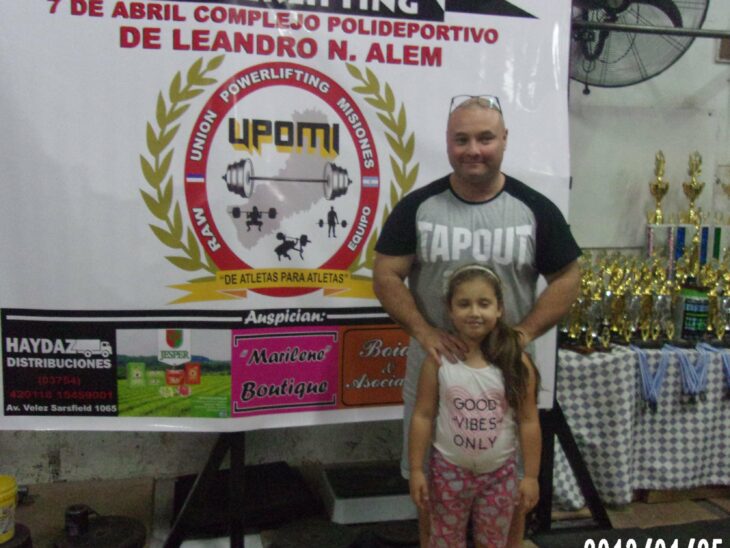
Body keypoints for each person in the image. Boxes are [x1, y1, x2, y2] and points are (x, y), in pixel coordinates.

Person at [373, 95, 581, 546]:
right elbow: (386, 274)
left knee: (511, 494)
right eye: (461, 139)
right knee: (430, 491)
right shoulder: (417, 207)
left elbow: (568, 276)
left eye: (485, 138)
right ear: (447, 144)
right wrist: (424, 331)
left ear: (504, 141)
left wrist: (524, 332)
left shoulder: (534, 208)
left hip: (505, 377)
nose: (474, 149)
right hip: (436, 376)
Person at [409, 264, 541, 547]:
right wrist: (417, 470)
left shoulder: (516, 362)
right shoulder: (438, 361)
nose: (474, 312)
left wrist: (530, 476)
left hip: (499, 475)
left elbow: (528, 421)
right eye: (464, 304)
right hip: (448, 472)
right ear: (450, 309)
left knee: (493, 541)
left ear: (499, 309)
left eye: (484, 303)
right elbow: (422, 415)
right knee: (444, 539)